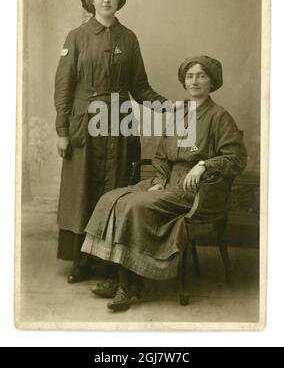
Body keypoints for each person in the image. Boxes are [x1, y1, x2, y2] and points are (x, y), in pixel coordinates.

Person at [81, 55, 247, 312]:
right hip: (167, 180)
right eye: (190, 76)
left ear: (212, 82)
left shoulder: (219, 116)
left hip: (197, 188)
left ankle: (131, 285)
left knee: (135, 205)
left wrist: (204, 165)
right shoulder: (179, 114)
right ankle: (118, 276)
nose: (195, 81)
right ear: (184, 81)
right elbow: (160, 155)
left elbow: (236, 158)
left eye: (201, 76)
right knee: (111, 198)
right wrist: (158, 180)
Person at [54, 0, 167, 283]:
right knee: (82, 190)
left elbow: (140, 87)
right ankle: (81, 261)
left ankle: (110, 261)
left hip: (118, 123)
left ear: (120, 0)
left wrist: (169, 108)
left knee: (114, 187)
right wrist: (62, 130)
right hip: (84, 125)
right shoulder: (75, 36)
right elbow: (63, 87)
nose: (106, 0)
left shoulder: (129, 38)